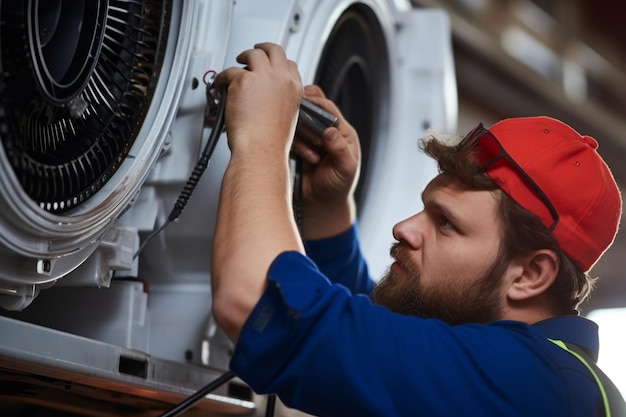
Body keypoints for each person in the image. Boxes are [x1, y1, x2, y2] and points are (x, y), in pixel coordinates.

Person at [210, 42, 625, 416]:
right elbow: (375, 338)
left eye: (447, 223)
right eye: (424, 209)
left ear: (530, 274)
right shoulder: (548, 374)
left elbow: (257, 305)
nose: (402, 228)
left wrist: (262, 138)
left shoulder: (537, 387)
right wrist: (329, 204)